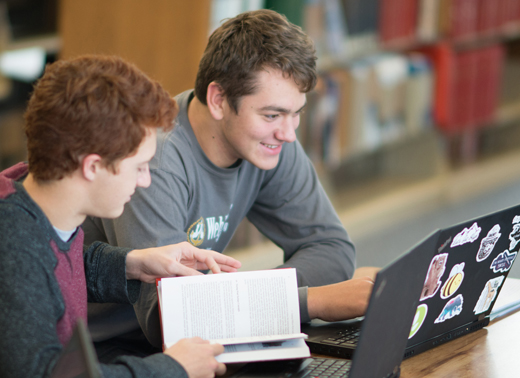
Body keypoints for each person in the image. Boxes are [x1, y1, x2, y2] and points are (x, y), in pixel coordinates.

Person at [83, 9, 377, 354]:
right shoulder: (154, 163)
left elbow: (333, 250)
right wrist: (312, 302)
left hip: (206, 335)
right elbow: (169, 318)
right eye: (272, 115)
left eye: (296, 113)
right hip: (110, 349)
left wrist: (240, 301)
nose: (288, 133)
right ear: (219, 100)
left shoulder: (269, 141)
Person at [0, 55, 243, 378]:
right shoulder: (13, 245)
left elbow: (54, 268)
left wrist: (134, 263)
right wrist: (173, 368)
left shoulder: (41, 210)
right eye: (139, 167)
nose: (145, 180)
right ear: (93, 166)